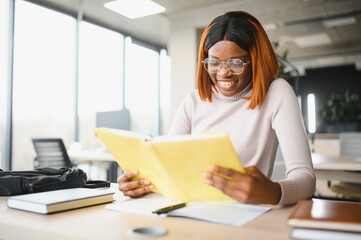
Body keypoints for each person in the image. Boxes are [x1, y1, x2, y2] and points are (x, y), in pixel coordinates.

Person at [117, 11, 315, 206]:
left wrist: (274, 192)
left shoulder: (276, 92)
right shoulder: (193, 100)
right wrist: (141, 183)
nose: (223, 72)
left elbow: (305, 177)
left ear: (255, 59)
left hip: (247, 214)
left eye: (236, 63)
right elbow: (168, 166)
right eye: (214, 62)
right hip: (194, 208)